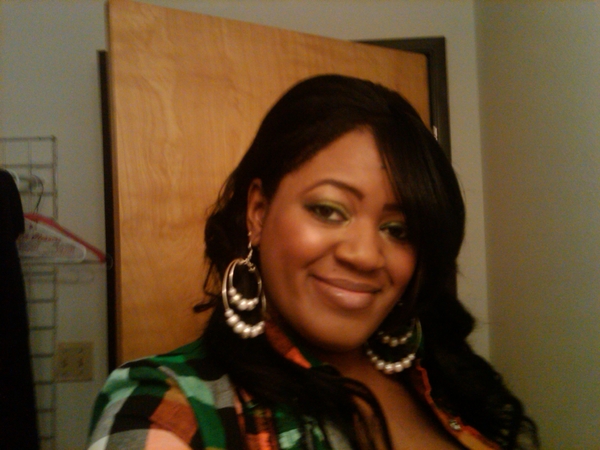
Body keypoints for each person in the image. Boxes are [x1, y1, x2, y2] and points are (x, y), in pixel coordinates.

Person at [87, 74, 538, 450]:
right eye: (328, 210)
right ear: (258, 212)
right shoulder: (169, 404)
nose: (365, 255)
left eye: (398, 230)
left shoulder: (442, 376)